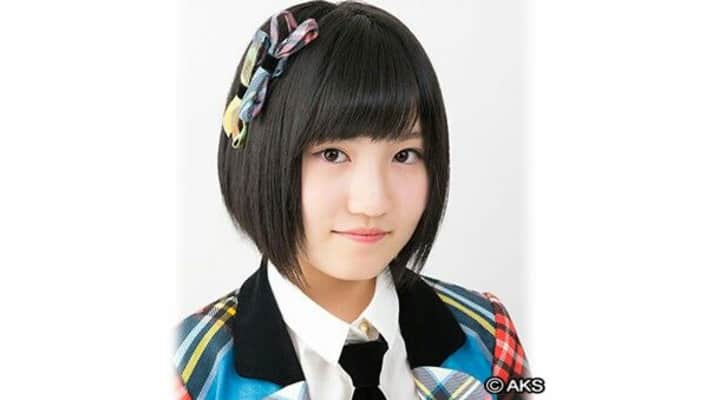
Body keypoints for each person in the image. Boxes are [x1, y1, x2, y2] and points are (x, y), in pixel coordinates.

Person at [174, 1, 529, 399]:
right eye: (332, 154)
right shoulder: (191, 372)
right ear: (261, 157)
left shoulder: (486, 339)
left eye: (404, 155)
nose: (372, 203)